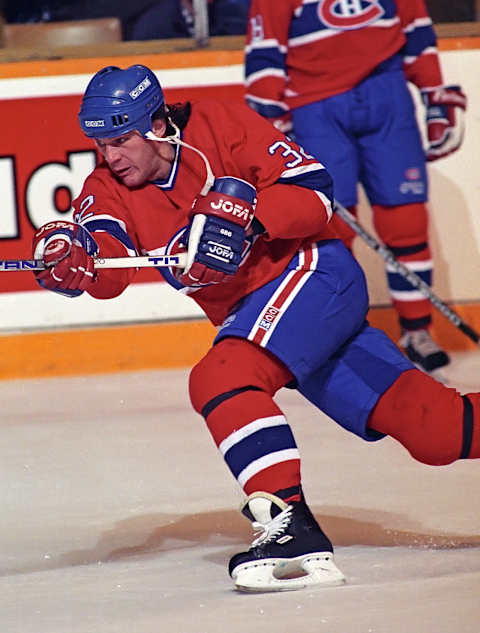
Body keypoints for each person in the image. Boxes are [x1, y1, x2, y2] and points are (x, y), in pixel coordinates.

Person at [32, 64, 479, 593]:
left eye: (121, 140)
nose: (111, 157)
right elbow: (109, 262)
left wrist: (250, 218)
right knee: (435, 430)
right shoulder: (105, 185)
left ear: (155, 124)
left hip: (314, 275)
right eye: (102, 144)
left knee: (219, 378)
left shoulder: (221, 125)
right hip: (266, 318)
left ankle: (293, 531)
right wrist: (75, 262)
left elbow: (316, 194)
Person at [244, 0, 467, 374]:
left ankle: (417, 331)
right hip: (314, 106)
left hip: (388, 95)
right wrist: (269, 112)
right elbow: (264, 50)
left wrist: (433, 96)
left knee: (406, 219)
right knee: (333, 227)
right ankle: (342, 335)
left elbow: (418, 33)